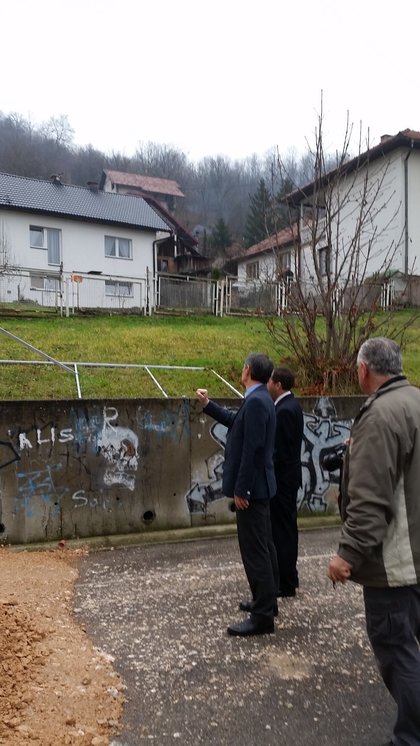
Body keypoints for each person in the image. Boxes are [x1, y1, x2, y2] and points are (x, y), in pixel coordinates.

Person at [327, 337, 420, 746]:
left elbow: (369, 502)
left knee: (398, 652)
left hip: (396, 564)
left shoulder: (380, 416)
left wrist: (346, 556)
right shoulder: (414, 401)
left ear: (364, 370)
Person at [196, 352, 279, 637]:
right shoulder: (258, 399)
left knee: (256, 551)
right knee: (264, 547)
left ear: (247, 370)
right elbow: (236, 422)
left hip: (252, 490)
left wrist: (242, 489)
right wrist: (208, 405)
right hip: (259, 486)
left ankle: (263, 617)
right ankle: (265, 601)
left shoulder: (257, 401)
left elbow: (253, 449)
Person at [267, 367, 303, 598]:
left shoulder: (285, 410)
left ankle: (286, 581)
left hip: (283, 481)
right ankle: (287, 578)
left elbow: (281, 451)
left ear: (278, 384)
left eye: (270, 381)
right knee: (284, 529)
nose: (268, 385)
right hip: (287, 479)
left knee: (283, 531)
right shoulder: (289, 406)